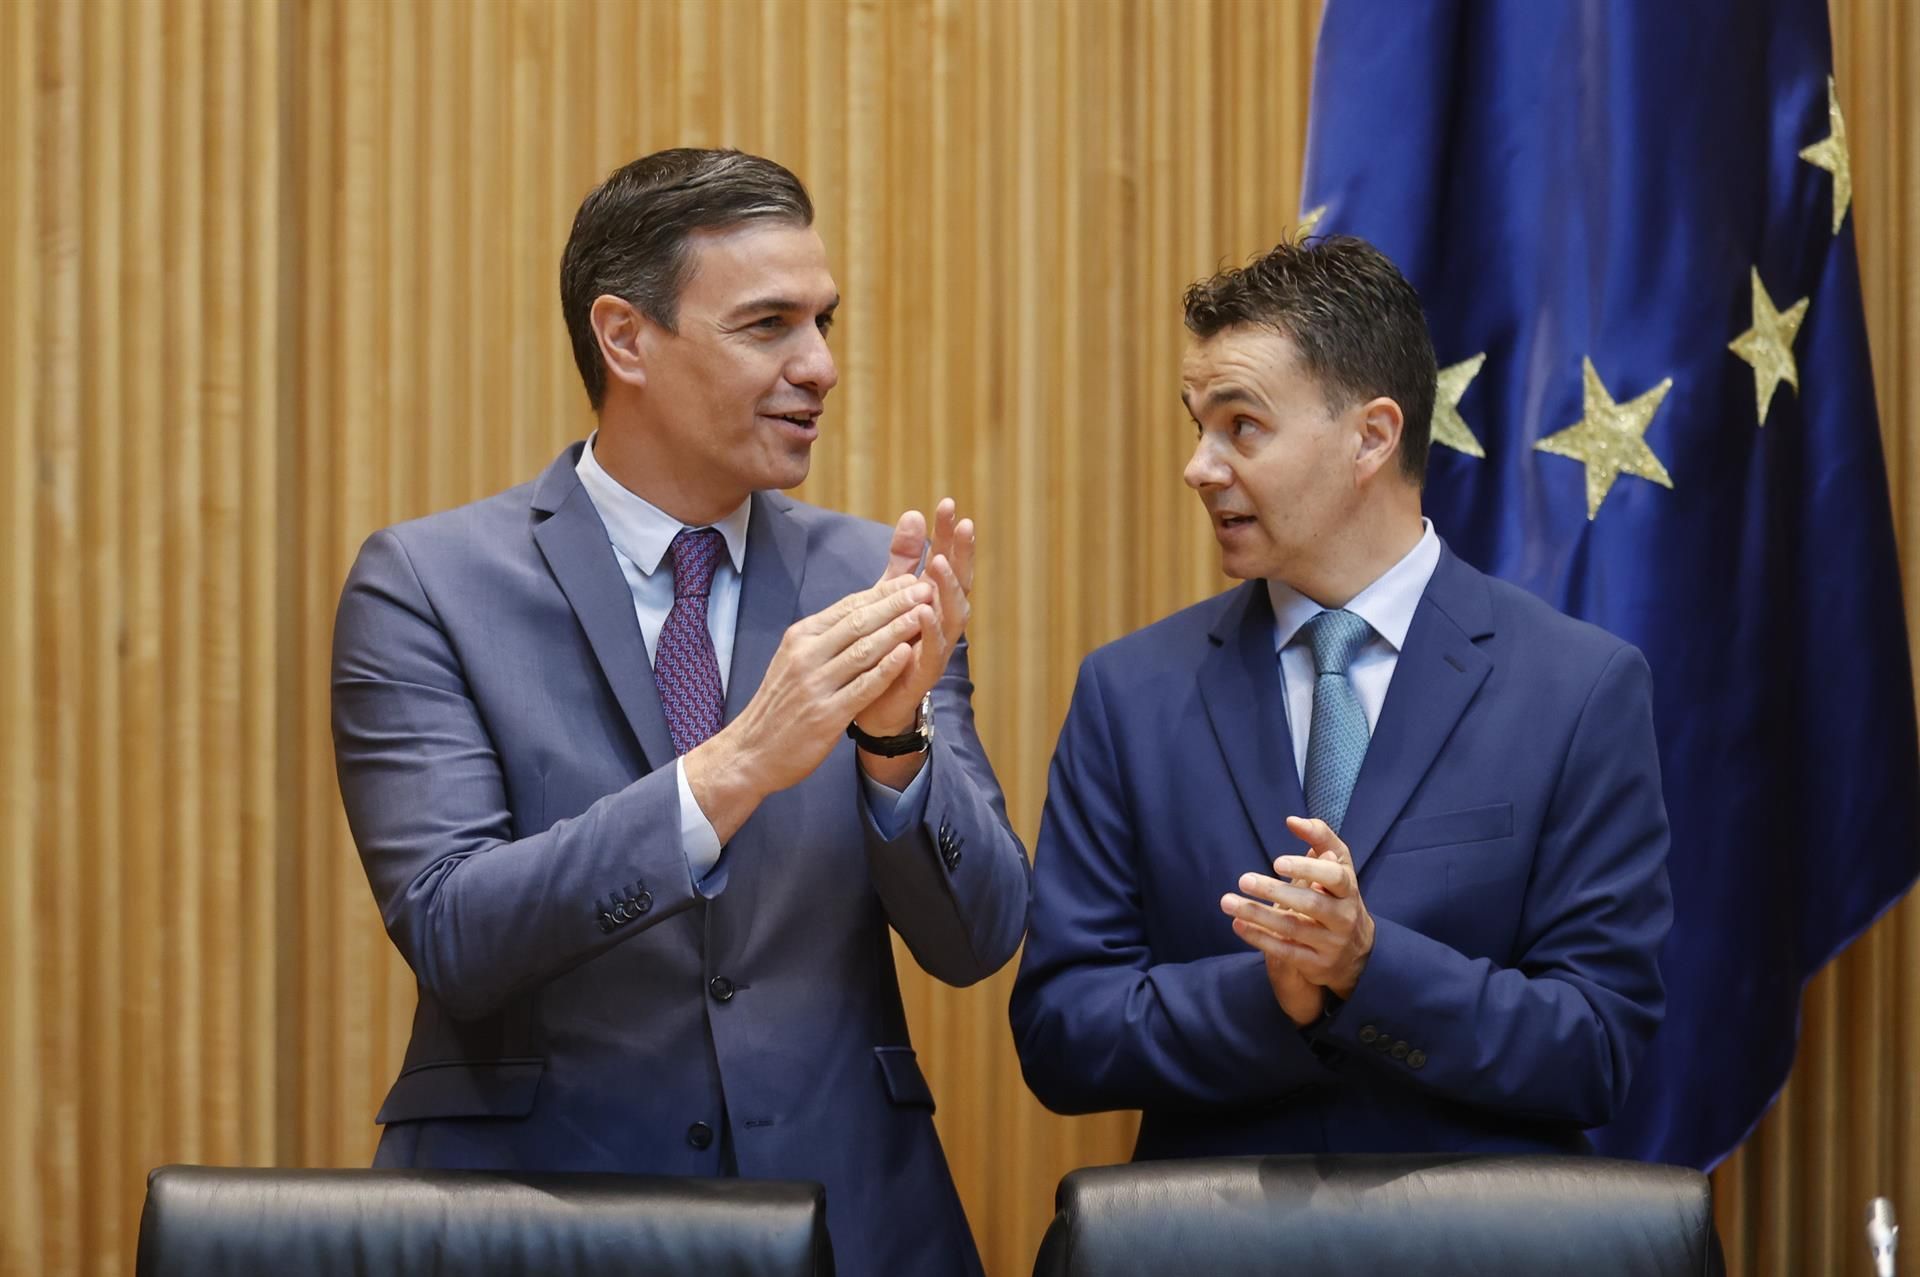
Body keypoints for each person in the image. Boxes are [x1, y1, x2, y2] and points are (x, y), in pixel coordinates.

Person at [331, 147, 1028, 1277]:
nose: (821, 365)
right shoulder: (429, 582)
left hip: (849, 1216)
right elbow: (454, 931)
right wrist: (733, 768)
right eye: (769, 326)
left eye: (825, 321)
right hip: (536, 1213)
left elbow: (981, 935)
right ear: (624, 338)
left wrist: (895, 748)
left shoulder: (874, 579)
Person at [1009, 235, 1672, 1158]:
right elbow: (1059, 1032)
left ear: (1372, 435)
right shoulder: (1131, 694)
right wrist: (1270, 997)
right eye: (1196, 425)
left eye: (1241, 426)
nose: (1199, 467)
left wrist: (1371, 967)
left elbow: (1598, 1046)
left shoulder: (1577, 687)